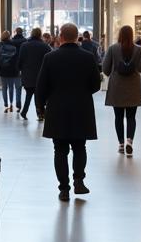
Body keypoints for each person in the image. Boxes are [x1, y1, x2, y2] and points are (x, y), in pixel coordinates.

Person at [35, 22, 103, 202]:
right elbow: (96, 84)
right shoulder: (88, 57)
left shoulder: (50, 58)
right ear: (76, 37)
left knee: (60, 150)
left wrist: (40, 106)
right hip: (82, 108)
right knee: (80, 147)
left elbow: (41, 85)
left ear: (61, 37)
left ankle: (64, 189)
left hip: (57, 109)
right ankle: (79, 180)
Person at [103, 24, 141, 155]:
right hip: (133, 86)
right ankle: (129, 141)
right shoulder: (138, 50)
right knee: (131, 117)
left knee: (118, 116)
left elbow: (105, 69)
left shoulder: (113, 48)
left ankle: (121, 143)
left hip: (117, 86)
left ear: (119, 34)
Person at [17, 27, 51, 120]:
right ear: (40, 34)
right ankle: (40, 114)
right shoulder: (45, 46)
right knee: (39, 96)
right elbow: (49, 61)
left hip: (27, 75)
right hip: (40, 75)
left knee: (28, 95)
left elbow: (20, 60)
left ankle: (24, 112)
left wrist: (20, 70)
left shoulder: (24, 45)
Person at [0, 30, 20, 113]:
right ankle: (11, 104)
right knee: (11, 87)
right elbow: (17, 56)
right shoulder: (14, 44)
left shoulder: (0, 45)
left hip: (3, 69)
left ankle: (6, 104)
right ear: (9, 36)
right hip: (13, 69)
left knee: (4, 88)